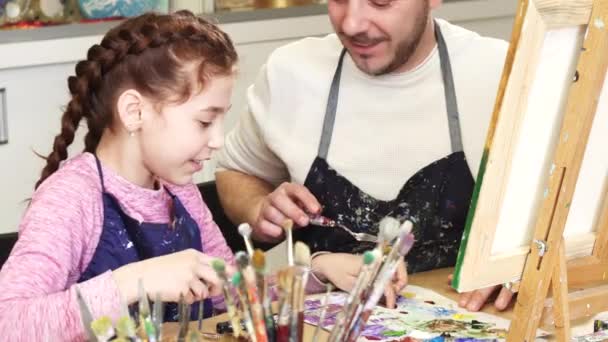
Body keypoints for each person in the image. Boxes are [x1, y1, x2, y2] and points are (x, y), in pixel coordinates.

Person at [215, 0, 514, 311]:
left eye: (380, 2)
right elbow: (236, 171)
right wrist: (258, 207)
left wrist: (523, 263)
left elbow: (558, 215)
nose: (351, 24)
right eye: (339, 0)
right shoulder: (291, 73)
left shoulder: (501, 72)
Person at [0, 11, 237, 340]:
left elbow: (235, 293)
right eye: (204, 122)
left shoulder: (180, 192)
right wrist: (135, 282)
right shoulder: (72, 197)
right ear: (134, 112)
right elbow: (8, 323)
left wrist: (311, 273)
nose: (218, 140)